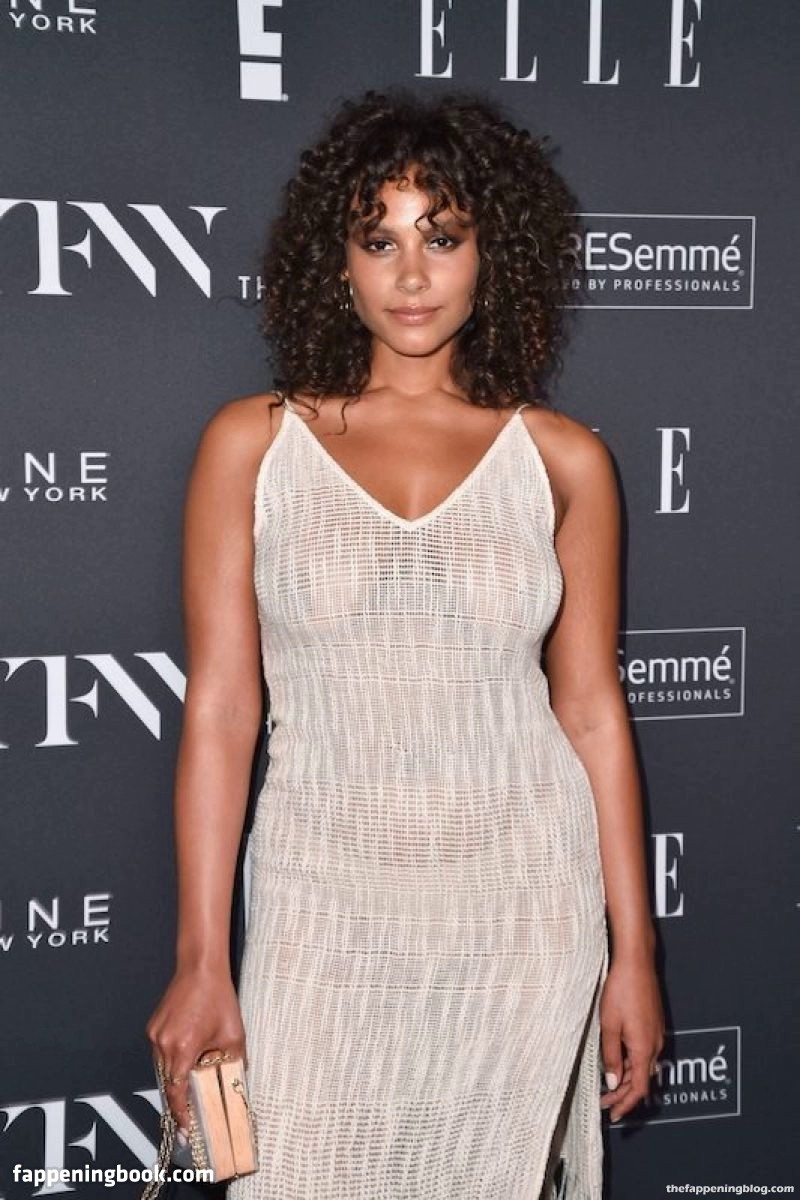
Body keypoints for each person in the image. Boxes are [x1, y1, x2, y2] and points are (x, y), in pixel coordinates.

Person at [145, 87, 664, 1199]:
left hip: (523, 909)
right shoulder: (253, 445)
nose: (412, 274)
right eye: (378, 241)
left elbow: (588, 712)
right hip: (320, 907)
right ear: (336, 264)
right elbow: (223, 710)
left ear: (490, 256)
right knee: (277, 1172)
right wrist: (201, 958)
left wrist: (634, 955)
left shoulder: (563, 461)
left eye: (443, 237)